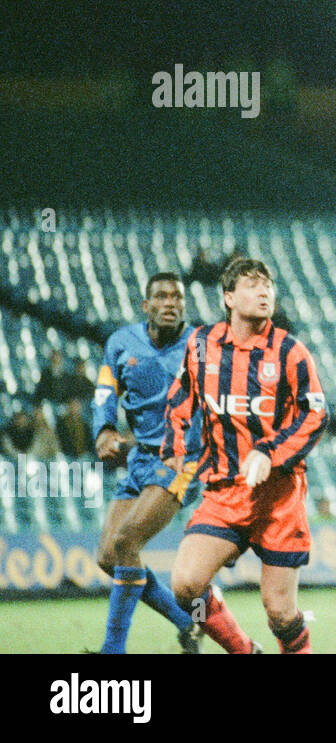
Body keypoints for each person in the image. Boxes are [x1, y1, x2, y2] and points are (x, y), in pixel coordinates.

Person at [163, 258, 329, 654]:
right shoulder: (201, 345)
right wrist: (174, 447)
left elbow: (317, 412)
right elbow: (181, 399)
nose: (264, 292)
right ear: (228, 297)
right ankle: (243, 650)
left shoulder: (290, 351)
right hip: (224, 493)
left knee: (281, 614)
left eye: (268, 286)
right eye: (253, 286)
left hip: (278, 499)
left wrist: (270, 452)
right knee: (185, 586)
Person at [91, 271, 205, 654]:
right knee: (110, 557)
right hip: (140, 458)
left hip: (182, 462)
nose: (170, 303)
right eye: (161, 296)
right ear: (146, 305)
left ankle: (112, 650)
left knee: (127, 541)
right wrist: (104, 429)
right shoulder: (121, 343)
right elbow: (105, 390)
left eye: (177, 297)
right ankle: (187, 621)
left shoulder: (202, 344)